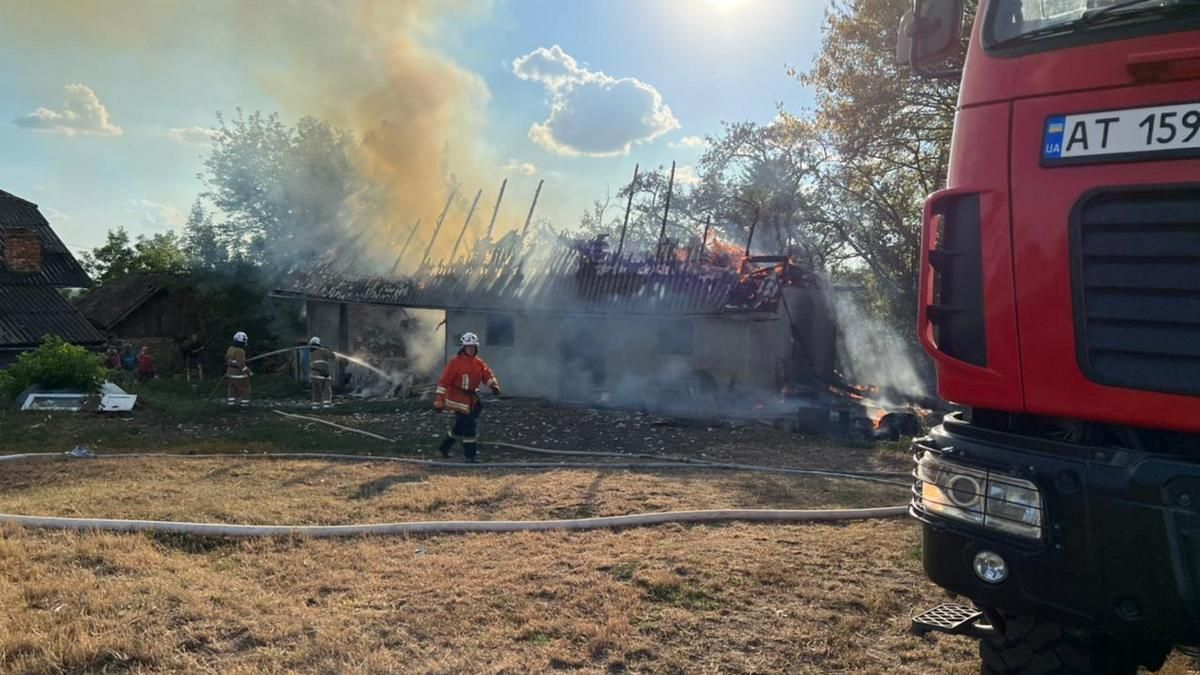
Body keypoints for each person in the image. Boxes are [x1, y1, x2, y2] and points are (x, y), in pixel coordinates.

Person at [433, 332, 501, 463]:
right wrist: (439, 401)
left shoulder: (478, 363)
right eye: (468, 347)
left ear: (476, 348)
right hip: (457, 400)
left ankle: (443, 449)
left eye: (473, 347)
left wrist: (493, 385)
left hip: (471, 400)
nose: (471, 349)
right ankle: (470, 456)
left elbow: (486, 374)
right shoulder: (454, 363)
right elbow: (443, 382)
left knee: (460, 427)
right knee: (470, 427)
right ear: (463, 348)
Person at [225, 331, 252, 408]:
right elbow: (241, 365)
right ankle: (245, 407)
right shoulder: (240, 351)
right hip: (238, 375)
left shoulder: (230, 348)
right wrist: (249, 372)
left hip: (230, 373)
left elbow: (227, 359)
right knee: (245, 390)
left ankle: (231, 406)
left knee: (232, 390)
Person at [308, 336, 334, 410]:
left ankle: (315, 406)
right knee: (326, 388)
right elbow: (332, 356)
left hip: (313, 375)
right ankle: (327, 405)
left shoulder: (311, 353)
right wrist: (329, 350)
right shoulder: (322, 351)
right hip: (321, 374)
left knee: (316, 390)